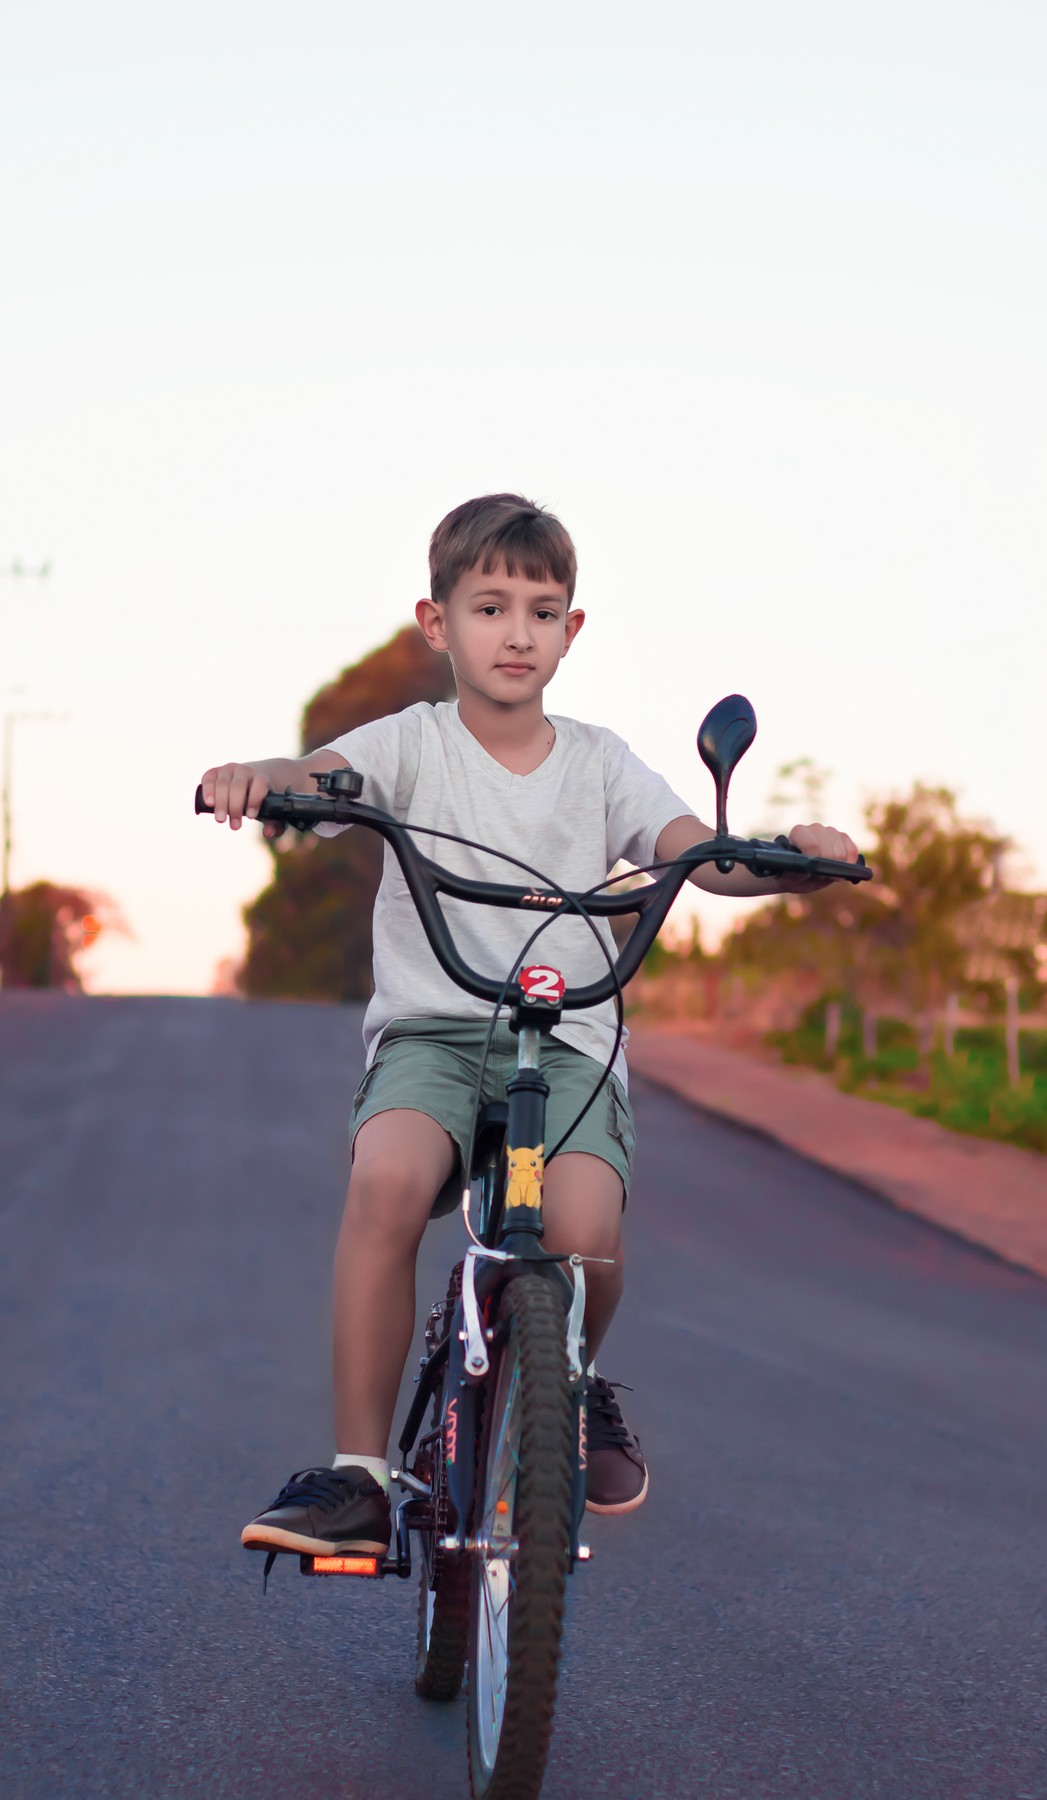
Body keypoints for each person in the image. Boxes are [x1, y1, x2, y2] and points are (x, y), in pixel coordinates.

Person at [200, 493, 858, 1559]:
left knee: (588, 1232)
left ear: (573, 631)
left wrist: (789, 856)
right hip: (437, 1034)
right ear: (436, 622)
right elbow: (319, 776)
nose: (517, 633)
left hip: (571, 1047)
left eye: (542, 612)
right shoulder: (410, 745)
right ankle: (361, 1476)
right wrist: (259, 779)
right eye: (490, 607)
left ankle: (572, 1383)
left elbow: (699, 848)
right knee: (387, 1182)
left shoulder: (601, 762)